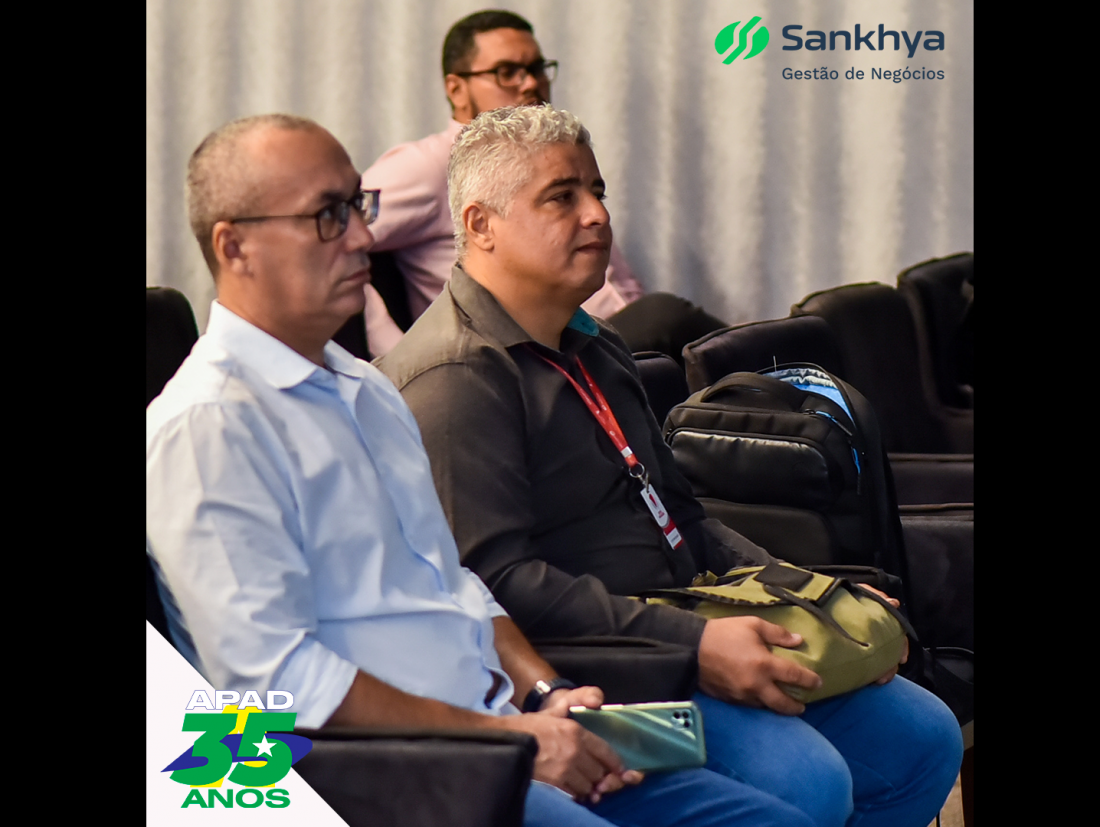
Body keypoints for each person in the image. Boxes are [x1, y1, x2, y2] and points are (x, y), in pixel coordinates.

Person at [146, 112, 821, 827]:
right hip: (397, 772)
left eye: (358, 206)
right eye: (328, 216)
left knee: (791, 811)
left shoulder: (362, 387)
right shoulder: (208, 425)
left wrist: (544, 693)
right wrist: (507, 738)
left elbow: (456, 583)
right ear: (235, 246)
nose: (364, 237)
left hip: (497, 724)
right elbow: (275, 688)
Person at [377, 104, 964, 827]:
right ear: (480, 224)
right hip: (599, 665)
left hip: (687, 618)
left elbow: (682, 515)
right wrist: (697, 646)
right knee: (808, 782)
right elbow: (497, 585)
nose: (596, 214)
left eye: (597, 191)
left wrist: (814, 595)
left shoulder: (593, 345)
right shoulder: (457, 377)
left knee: (921, 737)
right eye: (562, 197)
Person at [361, 8, 725, 359]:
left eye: (537, 69)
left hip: (603, 339)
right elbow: (339, 238)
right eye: (507, 72)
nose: (532, 83)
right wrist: (396, 355)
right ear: (457, 89)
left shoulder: (559, 156)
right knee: (664, 318)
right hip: (530, 354)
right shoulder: (427, 165)